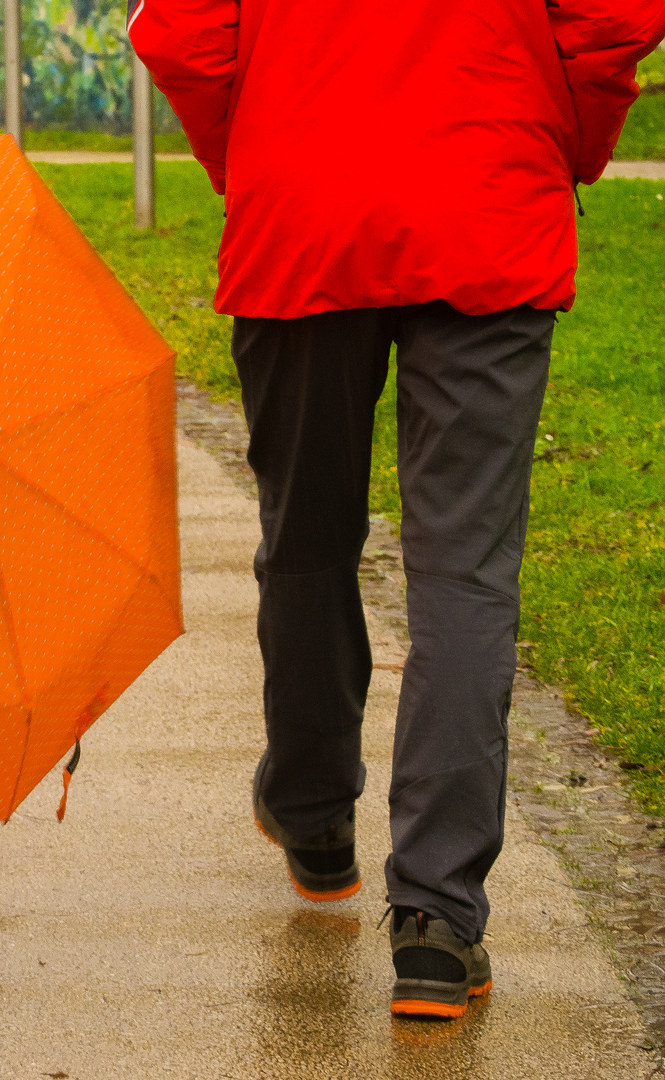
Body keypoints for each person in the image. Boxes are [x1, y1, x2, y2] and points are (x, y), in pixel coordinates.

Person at [131, 0, 665, 1019]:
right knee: (464, 570)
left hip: (301, 205)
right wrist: (564, 142)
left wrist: (257, 155)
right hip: (488, 195)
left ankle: (313, 813)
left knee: (305, 539)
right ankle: (437, 920)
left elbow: (177, 34)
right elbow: (612, 19)